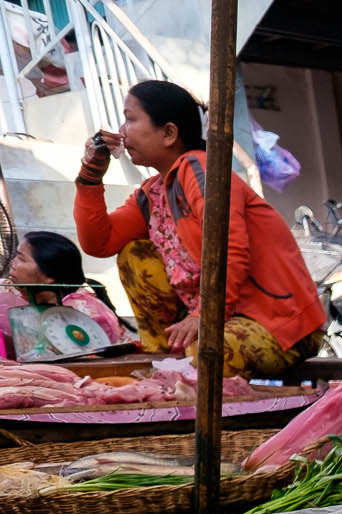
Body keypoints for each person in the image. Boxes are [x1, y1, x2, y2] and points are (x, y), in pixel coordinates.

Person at [73, 79, 326, 378]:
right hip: (219, 319)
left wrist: (204, 315)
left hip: (281, 326)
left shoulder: (200, 168)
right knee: (135, 254)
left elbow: (228, 244)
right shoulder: (152, 193)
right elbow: (99, 243)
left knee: (205, 352)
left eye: (130, 118)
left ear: (168, 133)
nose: (122, 130)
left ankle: (179, 369)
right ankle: (161, 352)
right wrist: (91, 175)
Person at [0, 231, 124, 358]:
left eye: (21, 259)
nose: (12, 263)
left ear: (49, 276)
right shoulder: (7, 290)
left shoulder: (84, 313)